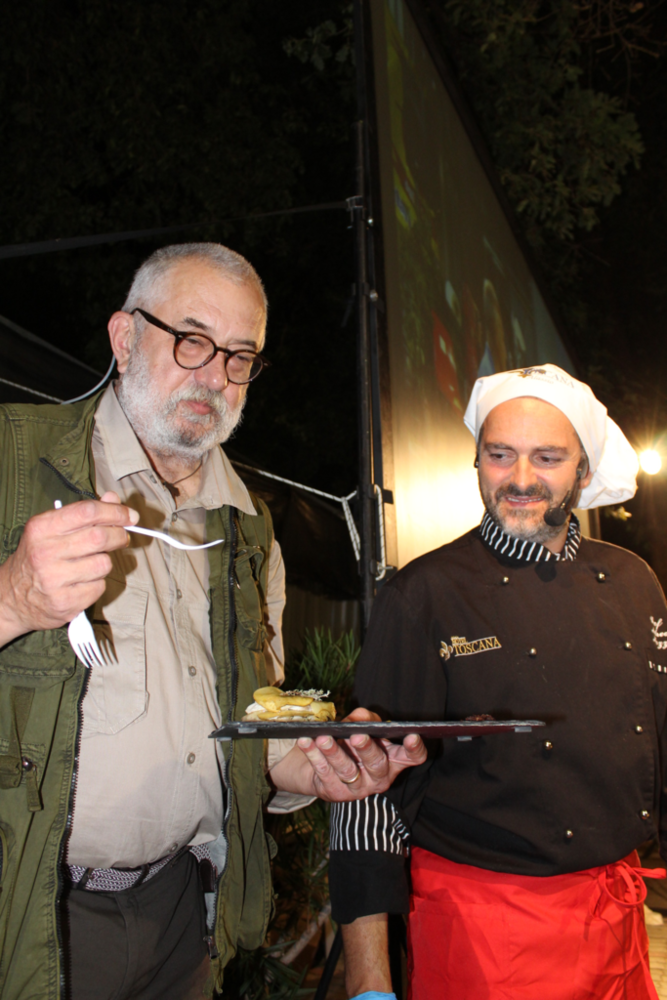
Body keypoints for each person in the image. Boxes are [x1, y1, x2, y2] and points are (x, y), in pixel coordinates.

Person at [0, 243, 426, 1000]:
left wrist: (316, 766)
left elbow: (242, 729)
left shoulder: (248, 528)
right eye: (191, 340)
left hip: (182, 919)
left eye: (239, 355)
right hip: (32, 917)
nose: (213, 375)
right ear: (125, 337)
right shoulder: (10, 458)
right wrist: (12, 598)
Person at [329, 364, 667, 1000]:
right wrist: (370, 981)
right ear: (478, 461)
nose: (519, 479)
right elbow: (365, 793)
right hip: (483, 938)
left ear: (584, 473)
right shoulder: (422, 594)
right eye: (500, 455)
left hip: (615, 926)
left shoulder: (633, 582)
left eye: (547, 457)